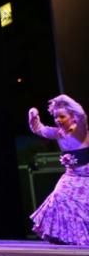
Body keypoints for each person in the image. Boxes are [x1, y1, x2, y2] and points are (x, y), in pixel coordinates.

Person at [28, 94, 89, 245]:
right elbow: (39, 130)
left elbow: (81, 112)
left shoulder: (80, 129)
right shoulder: (59, 133)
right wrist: (33, 115)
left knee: (82, 210)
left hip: (86, 179)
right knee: (57, 198)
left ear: (72, 117)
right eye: (56, 117)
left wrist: (64, 98)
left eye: (62, 116)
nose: (58, 120)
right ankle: (62, 235)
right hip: (70, 176)